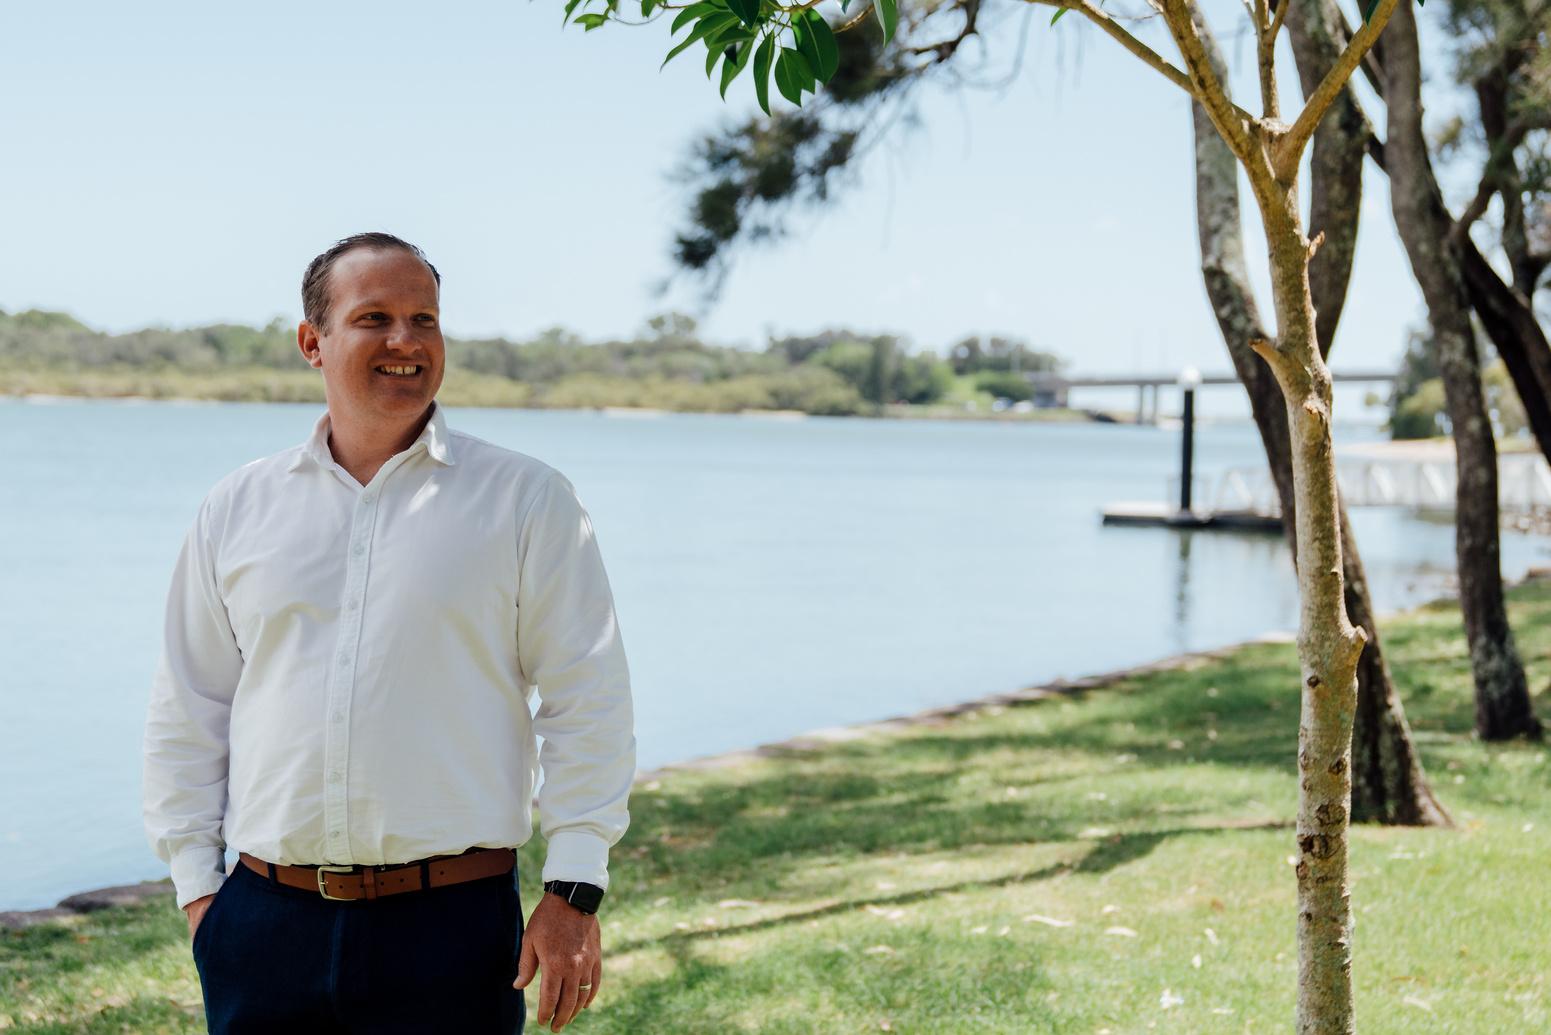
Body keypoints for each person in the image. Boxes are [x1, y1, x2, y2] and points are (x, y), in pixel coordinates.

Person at [141, 232, 636, 1034]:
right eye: (374, 318)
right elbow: (190, 703)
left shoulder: (527, 500)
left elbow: (588, 698)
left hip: (453, 931)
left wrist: (573, 887)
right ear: (313, 342)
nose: (406, 340)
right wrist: (200, 890)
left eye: (424, 319)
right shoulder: (237, 506)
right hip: (263, 925)